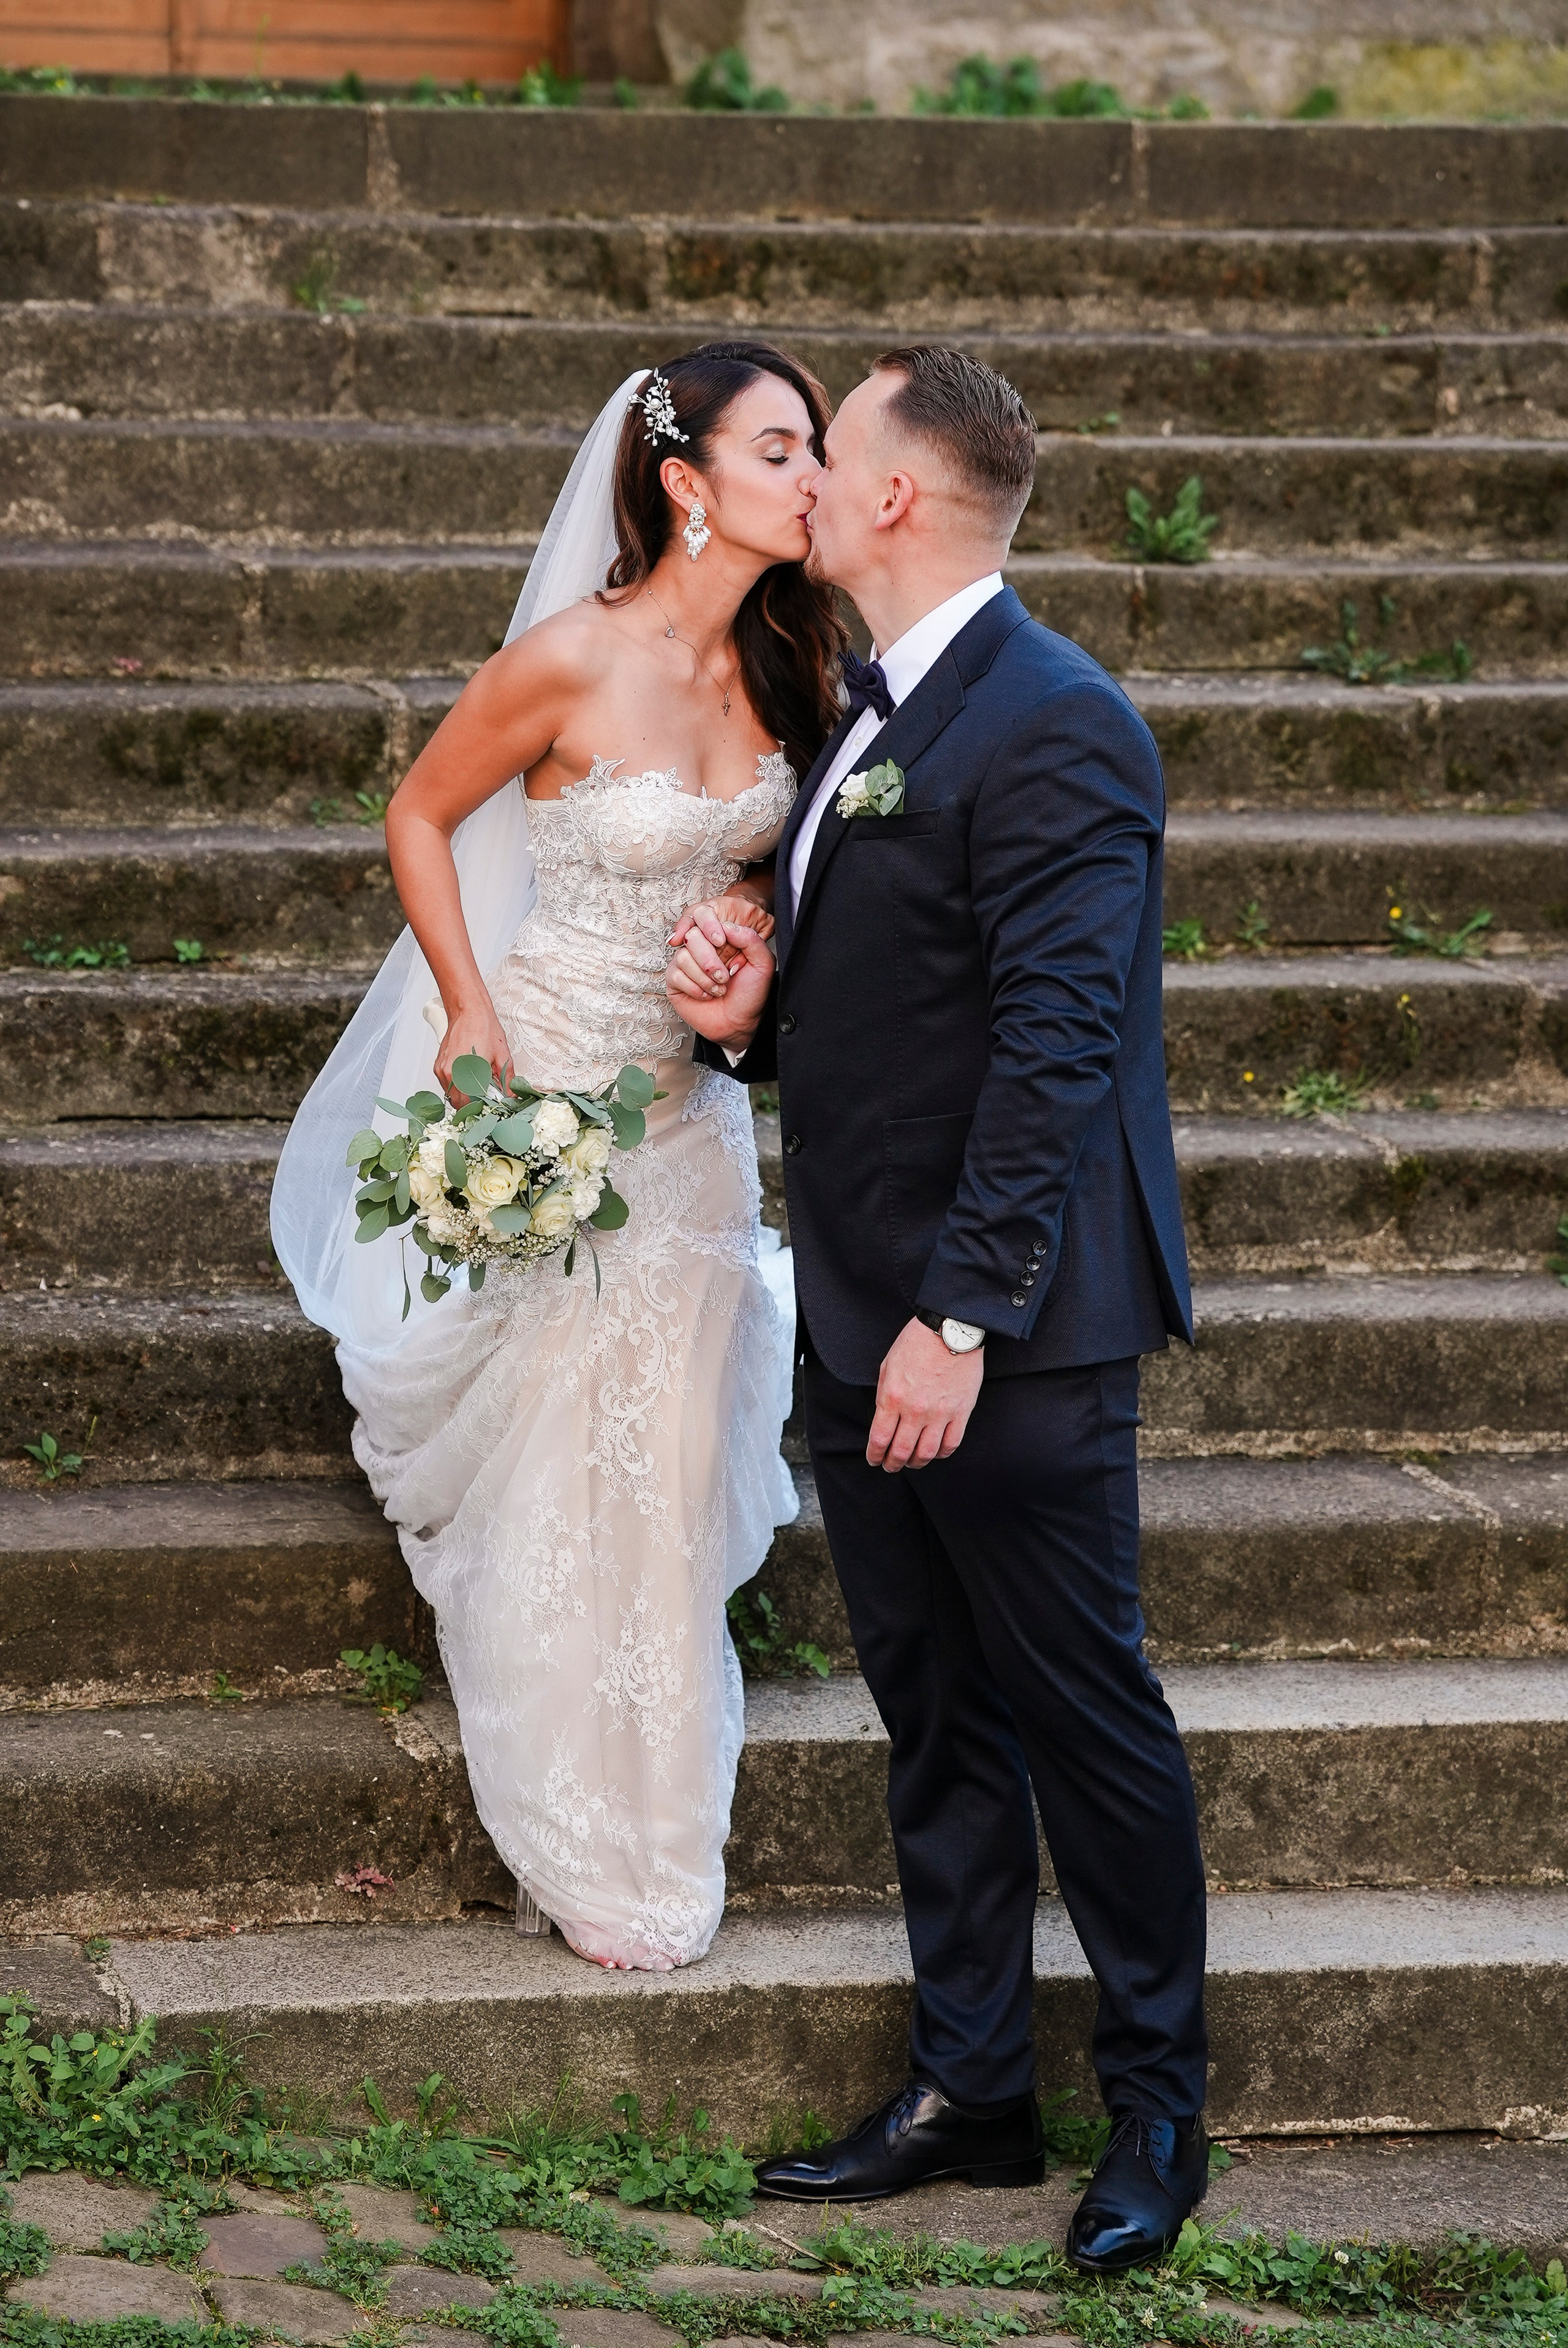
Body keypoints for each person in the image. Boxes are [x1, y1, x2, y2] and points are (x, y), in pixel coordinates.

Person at [666, 345, 1209, 2272]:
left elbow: (1063, 1043)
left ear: (899, 496)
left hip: (1008, 1336)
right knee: (936, 1714)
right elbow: (891, 1009)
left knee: (1084, 1711)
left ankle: (1158, 2105)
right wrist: (749, 1028)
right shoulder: (868, 710)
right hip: (861, 1311)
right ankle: (976, 2085)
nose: (804, 479)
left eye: (840, 451)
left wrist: (962, 1314)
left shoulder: (1059, 719)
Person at [271, 342, 843, 1973]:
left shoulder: (796, 664)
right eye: (784, 447)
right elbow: (419, 813)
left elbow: (807, 864)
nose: (813, 477)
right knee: (566, 1465)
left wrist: (758, 926)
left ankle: (662, 1825)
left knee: (662, 1479)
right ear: (687, 480)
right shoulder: (570, 660)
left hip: (702, 1107)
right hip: (564, 1088)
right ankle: (575, 1827)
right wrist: (465, 1008)